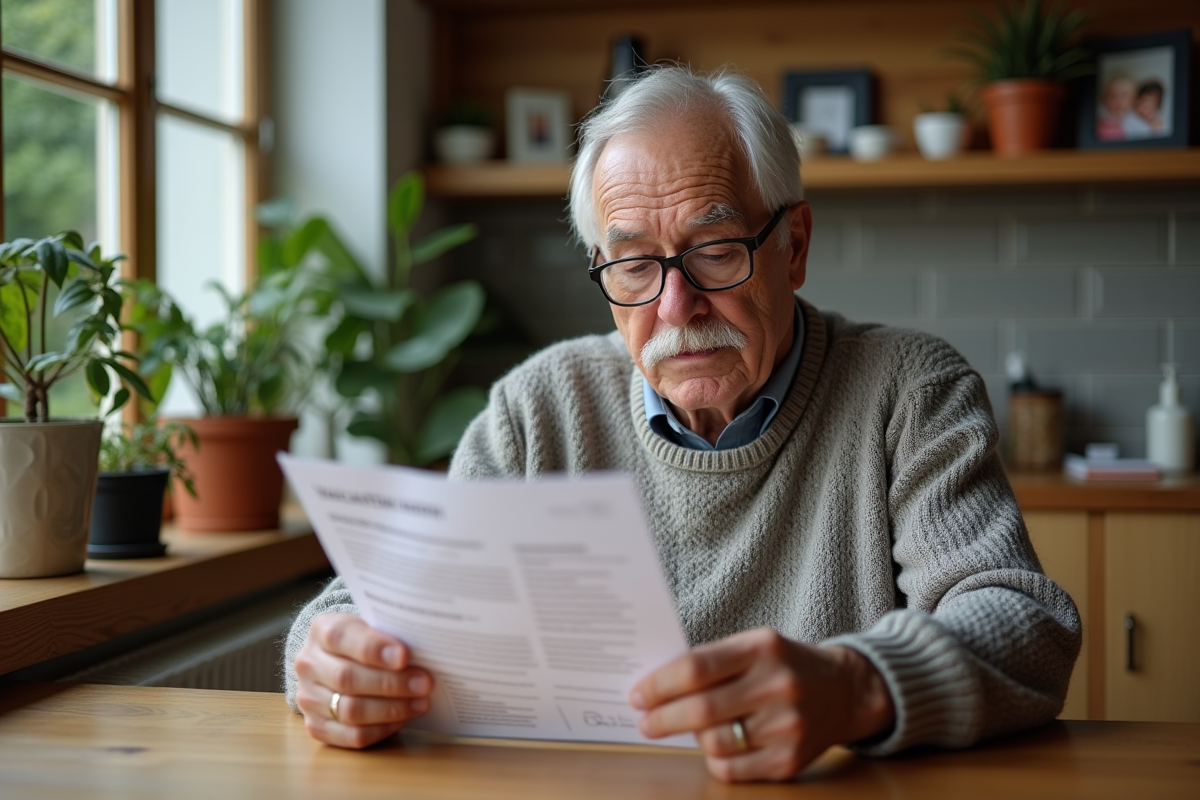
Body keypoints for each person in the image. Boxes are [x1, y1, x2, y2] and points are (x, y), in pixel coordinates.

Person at [283, 65, 1081, 783]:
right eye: (633, 265)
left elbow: (1025, 624)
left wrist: (855, 685)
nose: (676, 306)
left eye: (715, 249)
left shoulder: (910, 393)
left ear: (793, 246)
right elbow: (381, 602)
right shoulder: (541, 408)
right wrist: (329, 657)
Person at [1097, 73, 1135, 141]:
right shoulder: (1102, 116)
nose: (1118, 101)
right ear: (1105, 99)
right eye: (1113, 96)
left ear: (1133, 99)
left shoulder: (1134, 116)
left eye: (1124, 95)